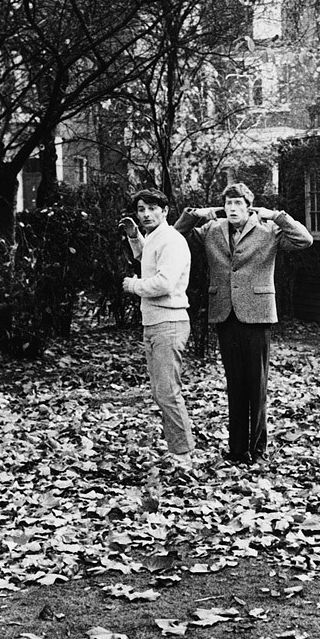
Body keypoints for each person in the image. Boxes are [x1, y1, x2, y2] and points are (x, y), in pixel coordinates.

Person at [175, 182, 313, 465]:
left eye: (238, 204)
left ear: (249, 207)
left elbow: (304, 240)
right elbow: (178, 235)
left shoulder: (268, 230)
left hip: (257, 314)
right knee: (234, 383)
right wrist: (199, 213)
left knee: (256, 384)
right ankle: (237, 449)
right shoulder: (212, 230)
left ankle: (258, 449)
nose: (233, 209)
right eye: (228, 204)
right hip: (225, 313)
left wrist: (277, 215)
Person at [121, 188, 195, 469]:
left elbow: (163, 282)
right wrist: (133, 237)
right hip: (154, 322)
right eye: (141, 209)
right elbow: (148, 259)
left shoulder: (172, 241)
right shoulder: (154, 237)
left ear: (165, 211)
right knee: (160, 391)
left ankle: (183, 455)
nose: (146, 214)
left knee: (167, 391)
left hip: (170, 322)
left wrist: (134, 286)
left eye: (152, 208)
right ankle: (179, 450)